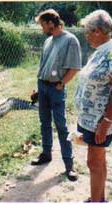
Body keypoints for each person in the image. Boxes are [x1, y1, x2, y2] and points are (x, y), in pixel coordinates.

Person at [75, 10, 112, 202]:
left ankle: (96, 201)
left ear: (98, 31)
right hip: (89, 118)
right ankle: (100, 199)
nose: (87, 36)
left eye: (87, 32)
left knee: (94, 162)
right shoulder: (100, 53)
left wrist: (105, 123)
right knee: (98, 160)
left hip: (100, 121)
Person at [31, 9, 82, 182]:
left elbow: (74, 67)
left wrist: (61, 84)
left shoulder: (70, 40)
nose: (41, 29)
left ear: (50, 23)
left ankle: (69, 165)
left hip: (56, 89)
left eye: (42, 25)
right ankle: (46, 154)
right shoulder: (48, 41)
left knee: (61, 126)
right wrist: (38, 87)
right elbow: (43, 65)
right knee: (44, 122)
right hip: (43, 86)